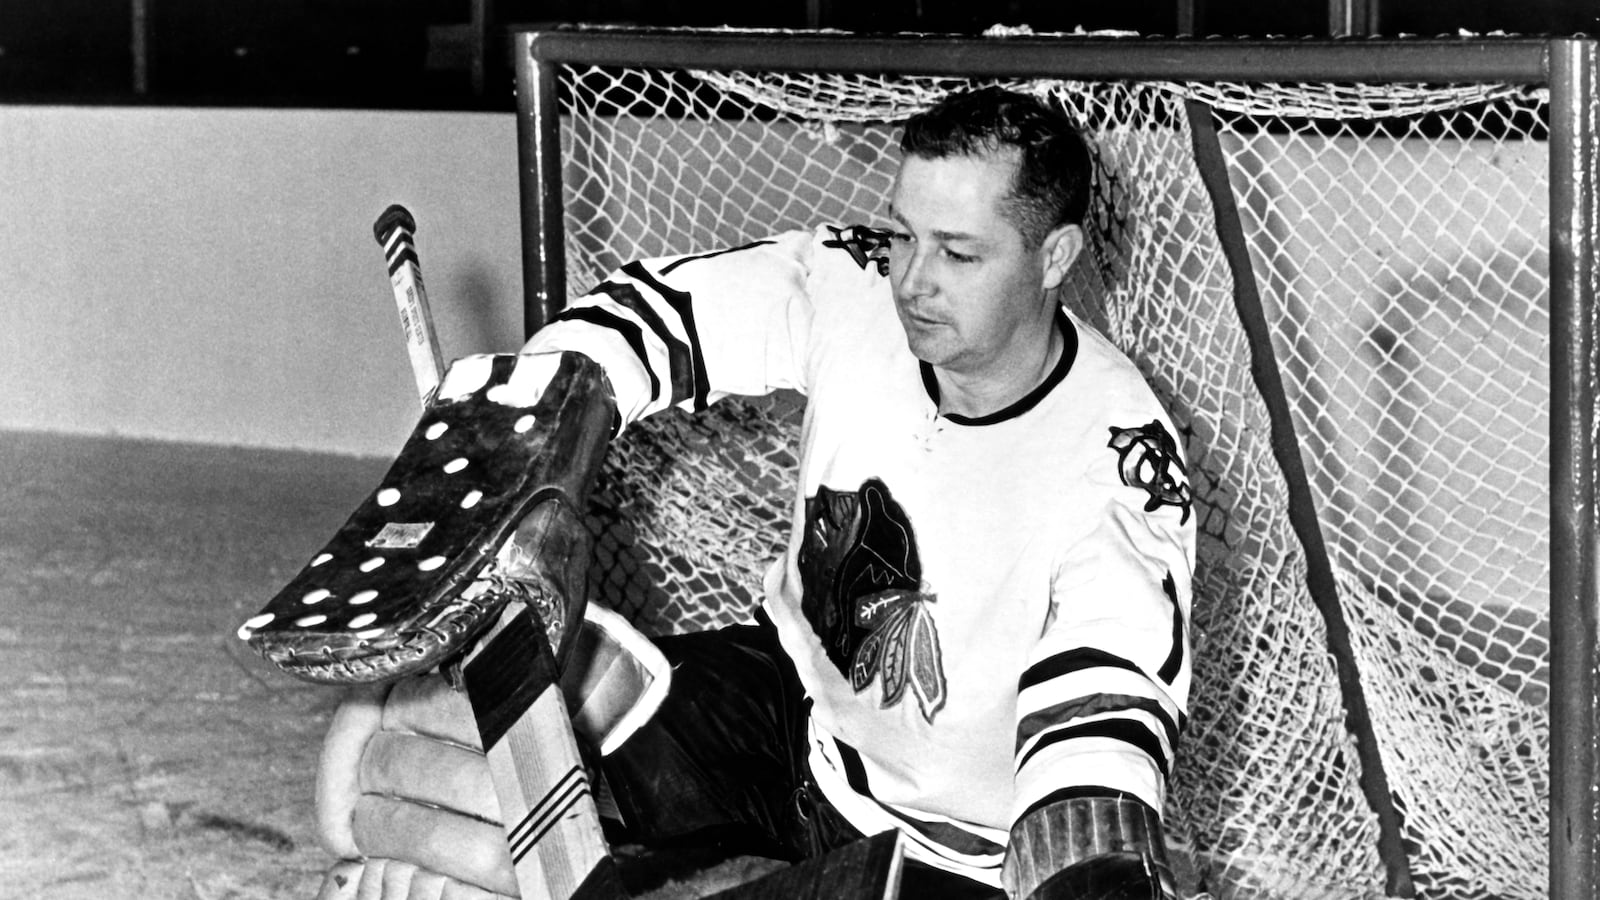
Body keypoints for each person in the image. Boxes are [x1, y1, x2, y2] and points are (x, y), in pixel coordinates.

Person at [316, 86, 1196, 900]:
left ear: (1057, 256)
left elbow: (1097, 728)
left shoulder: (1118, 466)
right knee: (483, 742)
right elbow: (665, 314)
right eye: (902, 233)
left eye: (958, 252)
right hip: (794, 719)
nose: (911, 280)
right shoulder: (857, 288)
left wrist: (1088, 872)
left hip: (950, 857)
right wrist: (518, 429)